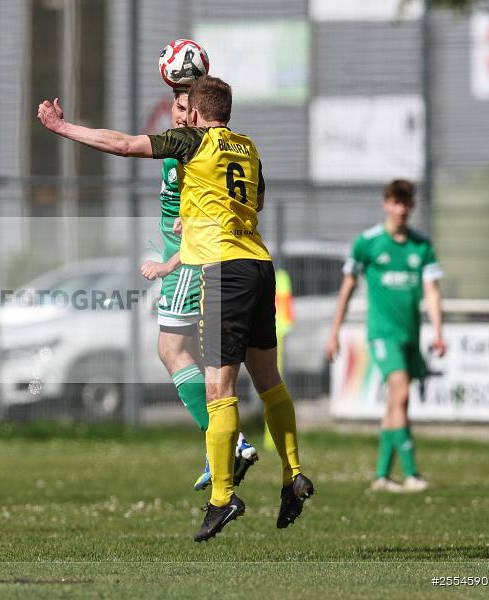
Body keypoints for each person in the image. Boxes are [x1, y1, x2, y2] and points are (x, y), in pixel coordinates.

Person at [38, 75, 313, 542]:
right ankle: (293, 474)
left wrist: (64, 129)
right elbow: (258, 199)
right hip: (259, 263)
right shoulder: (246, 146)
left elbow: (124, 145)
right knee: (269, 381)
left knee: (218, 388)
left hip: (223, 269)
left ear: (198, 113)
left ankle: (223, 499)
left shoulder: (191, 142)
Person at [139, 86, 258, 492]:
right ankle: (227, 444)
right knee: (193, 357)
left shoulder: (194, 149)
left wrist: (171, 259)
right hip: (199, 262)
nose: (179, 113)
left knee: (172, 349)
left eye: (186, 107)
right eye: (176, 105)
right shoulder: (185, 151)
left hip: (192, 263)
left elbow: (214, 206)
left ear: (197, 115)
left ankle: (229, 442)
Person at [326, 179, 445, 493]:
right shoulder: (368, 243)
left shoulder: (421, 245)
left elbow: (432, 291)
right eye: (396, 202)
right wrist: (334, 332)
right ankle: (412, 473)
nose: (401, 209)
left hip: (410, 335)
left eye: (406, 203)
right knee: (401, 393)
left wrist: (438, 332)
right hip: (382, 334)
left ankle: (381, 476)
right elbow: (347, 288)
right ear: (386, 203)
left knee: (398, 404)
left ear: (412, 206)